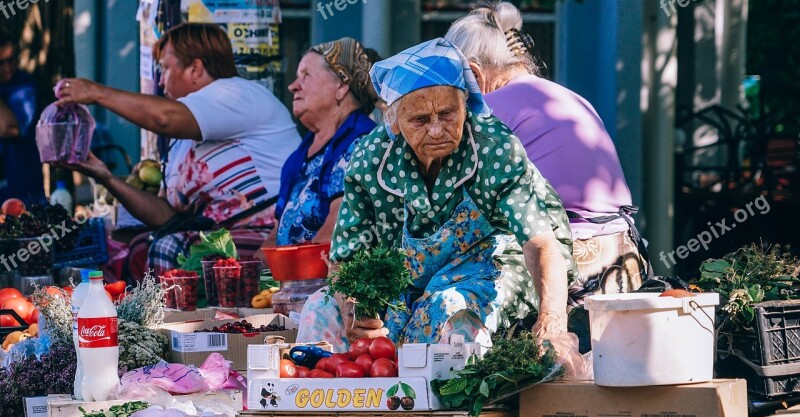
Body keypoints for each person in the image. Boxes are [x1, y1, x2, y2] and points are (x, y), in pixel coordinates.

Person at [297, 38, 582, 372]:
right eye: (419, 119)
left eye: (447, 113)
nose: (435, 129)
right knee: (319, 307)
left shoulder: (494, 148)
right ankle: (332, 412)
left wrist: (552, 322)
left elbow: (539, 242)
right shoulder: (370, 158)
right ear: (393, 120)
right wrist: (352, 305)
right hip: (406, 279)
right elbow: (346, 257)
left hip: (492, 266)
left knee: (445, 309)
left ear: (466, 105)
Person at [445, 1, 650, 311]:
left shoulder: (489, 111)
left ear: (473, 73)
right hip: (627, 258)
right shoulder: (570, 97)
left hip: (572, 264)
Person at [56, 23, 300, 276]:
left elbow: (164, 118)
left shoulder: (238, 94)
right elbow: (167, 217)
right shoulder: (182, 142)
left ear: (195, 68)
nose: (161, 81)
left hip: (269, 238)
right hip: (213, 239)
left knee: (166, 247)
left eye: (165, 68)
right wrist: (104, 176)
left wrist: (96, 93)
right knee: (140, 244)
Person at [263, 37, 379, 247]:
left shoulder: (362, 145)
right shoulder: (301, 156)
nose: (292, 86)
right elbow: (274, 238)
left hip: (322, 278)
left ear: (341, 86)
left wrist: (292, 274)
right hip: (291, 277)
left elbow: (334, 232)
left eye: (306, 75)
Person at [0, 29, 44, 203]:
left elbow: (9, 128)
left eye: (11, 60)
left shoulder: (24, 86)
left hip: (23, 193)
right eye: (0, 63)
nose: (7, 68)